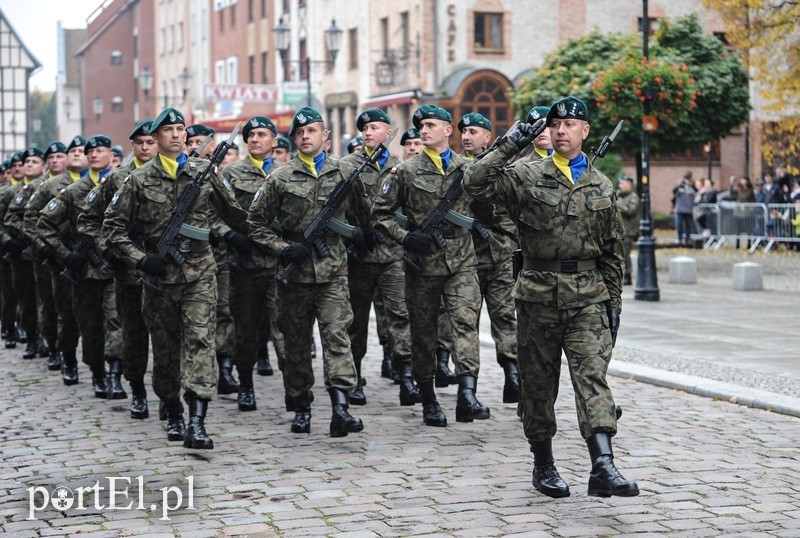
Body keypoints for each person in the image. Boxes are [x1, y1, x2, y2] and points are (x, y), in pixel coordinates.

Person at [464, 95, 638, 499]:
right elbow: (474, 183)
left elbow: (613, 251)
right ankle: (543, 464)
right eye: (555, 124)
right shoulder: (525, 175)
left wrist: (614, 304)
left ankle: (602, 464)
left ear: (584, 131)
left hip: (588, 297)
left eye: (569, 125)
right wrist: (511, 142)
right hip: (538, 295)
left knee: (591, 379)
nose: (561, 131)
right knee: (539, 388)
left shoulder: (600, 183)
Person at [103, 107, 248, 449]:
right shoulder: (137, 180)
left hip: (200, 273)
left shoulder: (206, 172)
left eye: (180, 128)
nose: (176, 134)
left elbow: (235, 214)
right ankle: (172, 409)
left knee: (201, 342)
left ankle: (197, 421)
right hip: (158, 279)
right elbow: (112, 229)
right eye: (167, 130)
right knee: (166, 352)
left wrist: (255, 233)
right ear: (154, 139)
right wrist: (141, 260)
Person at [247, 106, 372, 437]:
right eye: (299, 133)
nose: (305, 137)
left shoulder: (345, 175)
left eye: (311, 131)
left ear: (325, 137)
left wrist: (358, 239)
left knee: (337, 336)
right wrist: (283, 248)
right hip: (295, 275)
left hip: (333, 272)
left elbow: (364, 218)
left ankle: (340, 408)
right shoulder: (280, 178)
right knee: (296, 345)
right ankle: (301, 405)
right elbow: (255, 224)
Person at [373, 104, 489, 427]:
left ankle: (467, 393)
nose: (423, 131)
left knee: (465, 323)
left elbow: (488, 205)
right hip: (422, 265)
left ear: (448, 130)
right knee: (423, 334)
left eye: (430, 125)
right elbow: (379, 216)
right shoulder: (405, 172)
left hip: (461, 260)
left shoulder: (467, 169)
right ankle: (428, 398)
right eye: (421, 126)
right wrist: (407, 238)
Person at [76, 121, 157, 419]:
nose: (146, 147)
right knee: (133, 335)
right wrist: (110, 250)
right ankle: (136, 389)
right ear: (132, 146)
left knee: (167, 338)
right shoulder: (116, 179)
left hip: (166, 273)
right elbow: (88, 220)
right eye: (140, 143)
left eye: (151, 141)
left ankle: (170, 396)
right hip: (129, 274)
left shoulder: (177, 177)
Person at [36, 135, 125, 400]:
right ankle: (96, 372)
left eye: (101, 150)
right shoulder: (73, 191)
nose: (95, 154)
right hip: (85, 270)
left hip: (116, 267)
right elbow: (44, 224)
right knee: (90, 326)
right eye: (91, 151)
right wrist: (65, 255)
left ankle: (114, 375)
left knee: (115, 320)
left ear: (111, 154)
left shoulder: (124, 185)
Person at [341, 108, 419, 407]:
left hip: (392, 254)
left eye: (375, 127)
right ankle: (354, 378)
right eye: (365, 129)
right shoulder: (347, 167)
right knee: (356, 321)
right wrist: (351, 234)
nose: (368, 132)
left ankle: (406, 377)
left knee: (401, 315)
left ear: (389, 133)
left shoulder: (401, 169)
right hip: (358, 255)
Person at [220, 115, 286, 412]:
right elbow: (210, 214)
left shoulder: (290, 172)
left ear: (275, 140)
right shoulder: (232, 174)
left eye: (262, 134)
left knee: (284, 329)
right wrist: (230, 236)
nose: (255, 139)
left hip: (281, 265)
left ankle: (295, 388)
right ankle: (245, 384)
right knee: (244, 331)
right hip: (244, 265)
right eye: (250, 135)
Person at [459, 112, 521, 403]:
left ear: (488, 137)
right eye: (464, 131)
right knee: (463, 323)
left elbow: (513, 213)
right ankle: (467, 390)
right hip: (464, 259)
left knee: (506, 318)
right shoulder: (455, 168)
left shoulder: (505, 169)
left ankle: (513, 377)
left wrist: (506, 238)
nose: (466, 136)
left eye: (473, 131)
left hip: (498, 256)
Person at [23, 136, 88, 381]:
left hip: (90, 260)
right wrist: (46, 247)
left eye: (81, 150)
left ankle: (105, 366)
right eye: (70, 152)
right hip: (59, 258)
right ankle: (61, 353)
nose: (75, 155)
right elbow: (32, 220)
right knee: (59, 310)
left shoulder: (102, 183)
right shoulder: (50, 186)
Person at [2, 147, 46, 359]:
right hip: (21, 254)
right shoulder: (11, 192)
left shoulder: (49, 187)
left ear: (43, 166)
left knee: (47, 301)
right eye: (23, 162)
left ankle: (47, 339)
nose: (26, 166)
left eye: (32, 161)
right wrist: (9, 241)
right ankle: (27, 336)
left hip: (45, 253)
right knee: (23, 298)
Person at [616, 176, 640, 285]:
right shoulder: (620, 196)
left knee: (625, 254)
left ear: (629, 185)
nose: (620, 186)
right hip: (619, 230)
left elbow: (630, 210)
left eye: (622, 184)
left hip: (628, 231)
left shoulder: (633, 197)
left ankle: (628, 275)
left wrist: (617, 201)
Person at [672, 171, 696, 246]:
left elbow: (696, 192)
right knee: (679, 225)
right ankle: (679, 238)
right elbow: (674, 190)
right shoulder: (680, 187)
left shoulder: (692, 187)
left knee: (688, 225)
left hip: (688, 210)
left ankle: (688, 239)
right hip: (680, 209)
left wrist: (691, 185)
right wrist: (679, 183)